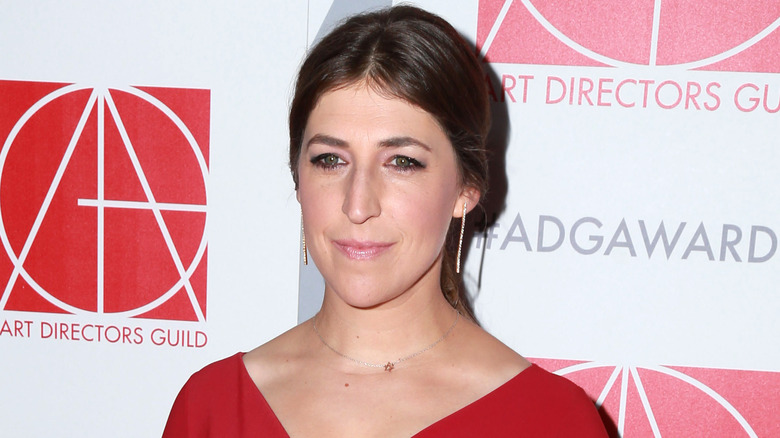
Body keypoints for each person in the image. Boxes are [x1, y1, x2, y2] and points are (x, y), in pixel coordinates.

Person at [163, 5, 607, 437]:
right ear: (298, 178)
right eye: (330, 160)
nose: (358, 205)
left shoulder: (550, 421)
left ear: (465, 188)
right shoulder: (212, 408)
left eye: (402, 162)